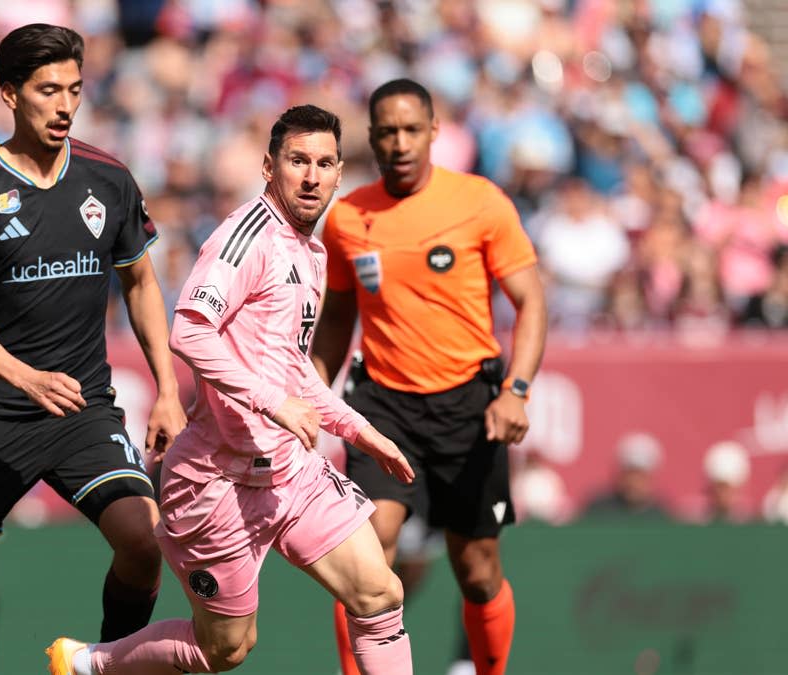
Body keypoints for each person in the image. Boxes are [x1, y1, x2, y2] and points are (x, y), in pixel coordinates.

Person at [47, 105, 416, 675]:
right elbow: (189, 329)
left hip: (291, 474)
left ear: (341, 173)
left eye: (324, 163)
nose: (312, 176)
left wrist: (360, 430)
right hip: (218, 482)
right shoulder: (246, 237)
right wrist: (273, 403)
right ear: (269, 167)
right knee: (225, 650)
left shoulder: (311, 251)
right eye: (298, 161)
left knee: (380, 595)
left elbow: (291, 367)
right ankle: (90, 664)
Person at [0, 23, 185, 674]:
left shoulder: (108, 177)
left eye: (75, 89)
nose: (65, 105)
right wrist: (25, 378)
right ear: (10, 94)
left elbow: (139, 280)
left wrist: (166, 387)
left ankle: (108, 665)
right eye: (49, 90)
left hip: (82, 409)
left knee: (143, 542)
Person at [312, 79, 547, 675]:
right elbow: (338, 315)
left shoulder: (480, 202)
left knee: (477, 570)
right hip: (382, 406)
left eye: (412, 129)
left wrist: (516, 392)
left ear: (435, 132)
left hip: (470, 405)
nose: (400, 142)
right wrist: (310, 395)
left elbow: (532, 302)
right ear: (371, 138)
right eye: (387, 131)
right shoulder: (347, 218)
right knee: (367, 556)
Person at [579, 432, 670, 522]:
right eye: (630, 474)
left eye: (641, 475)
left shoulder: (660, 516)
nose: (634, 482)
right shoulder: (599, 511)